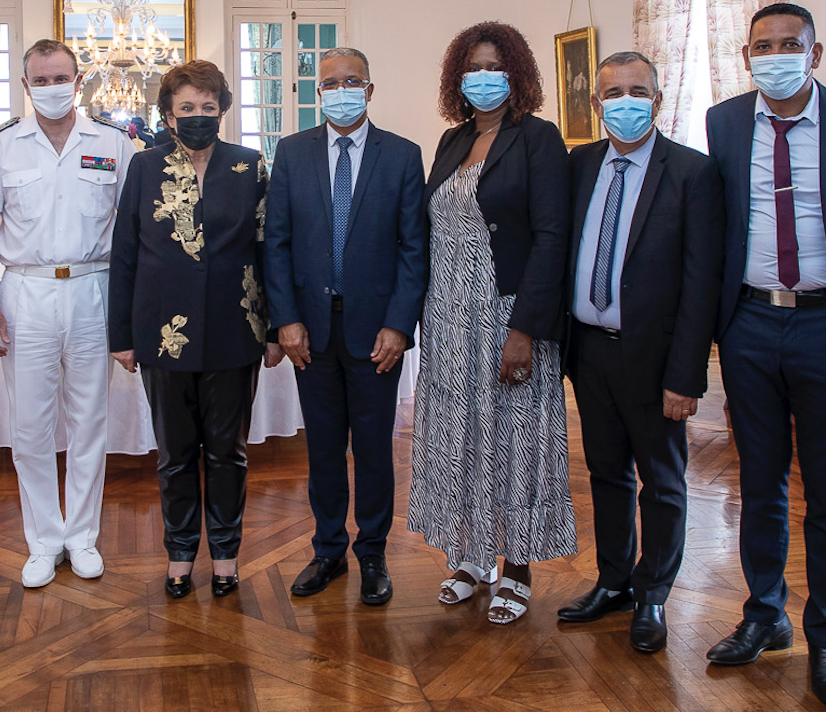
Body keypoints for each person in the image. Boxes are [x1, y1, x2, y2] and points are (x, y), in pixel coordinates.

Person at [703, 4, 826, 706]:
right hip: (751, 326)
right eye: (763, 45)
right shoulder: (724, 123)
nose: (776, 54)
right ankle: (765, 616)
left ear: (815, 55)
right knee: (757, 485)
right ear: (746, 54)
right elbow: (722, 222)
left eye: (791, 44)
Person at [551, 52, 723, 653]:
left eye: (637, 90)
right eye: (613, 93)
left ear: (657, 94)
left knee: (663, 482)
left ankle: (653, 593)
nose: (626, 101)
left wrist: (687, 376)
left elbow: (702, 286)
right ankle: (615, 581)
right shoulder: (579, 164)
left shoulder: (692, 174)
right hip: (590, 351)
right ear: (597, 105)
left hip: (655, 360)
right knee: (605, 474)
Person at [408, 21, 574, 625]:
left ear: (517, 74)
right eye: (472, 68)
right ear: (458, 77)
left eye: (494, 66)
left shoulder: (538, 139)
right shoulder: (450, 141)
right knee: (462, 438)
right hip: (449, 318)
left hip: (507, 316)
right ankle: (471, 557)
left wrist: (524, 328)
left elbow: (553, 238)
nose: (483, 78)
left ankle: (518, 567)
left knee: (514, 441)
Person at [0, 39, 134, 588]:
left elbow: (132, 234)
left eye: (62, 77)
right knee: (30, 426)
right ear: (26, 85)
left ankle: (82, 536)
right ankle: (44, 540)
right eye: (41, 79)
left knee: (89, 422)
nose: (52, 87)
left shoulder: (113, 143)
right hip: (26, 294)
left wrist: (127, 316)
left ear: (78, 81)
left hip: (93, 289)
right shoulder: (1, 149)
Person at [108, 60, 280, 599]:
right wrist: (121, 335)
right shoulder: (144, 167)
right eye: (187, 108)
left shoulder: (251, 167)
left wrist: (274, 329)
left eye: (208, 107)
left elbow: (267, 252)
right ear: (168, 114)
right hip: (163, 333)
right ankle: (180, 554)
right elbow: (125, 253)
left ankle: (225, 556)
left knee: (227, 453)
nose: (198, 116)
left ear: (223, 110)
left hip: (236, 329)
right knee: (174, 454)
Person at [263, 48, 427, 606]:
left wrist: (400, 326)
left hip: (377, 333)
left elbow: (413, 249)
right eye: (330, 83)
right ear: (318, 93)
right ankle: (328, 549)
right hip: (310, 332)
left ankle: (373, 552)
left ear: (370, 89)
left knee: (376, 450)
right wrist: (284, 319)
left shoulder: (403, 156)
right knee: (325, 449)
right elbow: (276, 245)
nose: (341, 90)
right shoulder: (291, 153)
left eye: (351, 81)